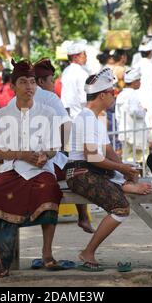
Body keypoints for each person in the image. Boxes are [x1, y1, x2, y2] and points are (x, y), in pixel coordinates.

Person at [66, 68, 152, 271]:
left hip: (91, 171)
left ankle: (123, 185)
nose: (114, 95)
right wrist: (121, 168)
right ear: (102, 95)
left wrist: (125, 169)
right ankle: (88, 252)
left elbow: (107, 151)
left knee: (125, 180)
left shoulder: (95, 118)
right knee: (121, 208)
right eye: (112, 92)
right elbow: (92, 157)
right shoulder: (86, 118)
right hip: (80, 173)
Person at [0, 59, 63, 278]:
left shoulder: (47, 112)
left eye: (32, 82)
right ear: (12, 86)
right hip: (13, 168)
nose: (29, 86)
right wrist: (22, 155)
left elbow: (55, 147)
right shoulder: (1, 115)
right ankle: (0, 258)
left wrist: (44, 155)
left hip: (40, 169)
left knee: (49, 190)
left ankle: (47, 253)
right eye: (23, 82)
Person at [32, 58, 95, 234]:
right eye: (51, 80)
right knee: (79, 169)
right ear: (40, 81)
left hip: (23, 160)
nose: (54, 83)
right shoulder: (50, 98)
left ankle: (83, 217)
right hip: (44, 162)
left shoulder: (18, 98)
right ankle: (83, 216)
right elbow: (66, 129)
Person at [115, 67, 148, 162]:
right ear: (134, 82)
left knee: (127, 158)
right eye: (139, 80)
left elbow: (118, 115)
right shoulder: (133, 94)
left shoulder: (121, 95)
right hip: (135, 133)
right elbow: (134, 111)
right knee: (141, 158)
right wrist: (143, 111)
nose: (140, 82)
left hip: (124, 131)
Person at [60, 40, 90, 119]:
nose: (86, 56)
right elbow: (84, 98)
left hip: (67, 115)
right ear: (75, 57)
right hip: (79, 115)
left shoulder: (66, 71)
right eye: (84, 54)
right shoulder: (81, 73)